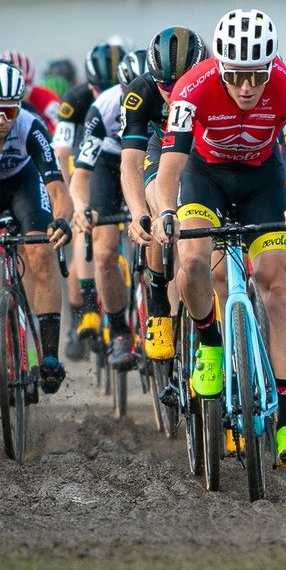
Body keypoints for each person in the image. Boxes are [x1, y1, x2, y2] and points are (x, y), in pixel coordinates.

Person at [152, 8, 286, 466]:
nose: (247, 87)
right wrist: (165, 210)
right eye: (236, 76)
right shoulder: (192, 88)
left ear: (271, 66)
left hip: (263, 182)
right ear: (221, 66)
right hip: (205, 177)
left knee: (280, 290)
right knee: (191, 263)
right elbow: (170, 169)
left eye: (257, 76)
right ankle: (209, 343)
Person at [0, 62, 72, 419]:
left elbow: (57, 188)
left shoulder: (30, 126)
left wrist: (62, 220)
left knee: (40, 252)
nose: (2, 119)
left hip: (20, 184)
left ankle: (49, 354)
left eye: (10, 110)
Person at [117, 25, 208, 362]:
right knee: (160, 209)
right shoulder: (140, 93)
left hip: (203, 148)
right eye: (165, 85)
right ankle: (158, 303)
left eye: (182, 84)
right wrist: (137, 211)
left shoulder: (216, 82)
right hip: (162, 145)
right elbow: (129, 162)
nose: (173, 92)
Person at [68, 44, 138, 371]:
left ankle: (164, 319)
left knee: (163, 235)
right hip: (108, 165)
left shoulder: (168, 104)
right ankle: (120, 329)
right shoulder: (104, 107)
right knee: (105, 249)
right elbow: (80, 175)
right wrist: (82, 209)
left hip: (148, 159)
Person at [54, 42, 124, 360]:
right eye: (100, 89)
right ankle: (86, 307)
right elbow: (62, 154)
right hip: (94, 160)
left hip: (136, 157)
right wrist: (70, 202)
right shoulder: (75, 99)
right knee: (89, 231)